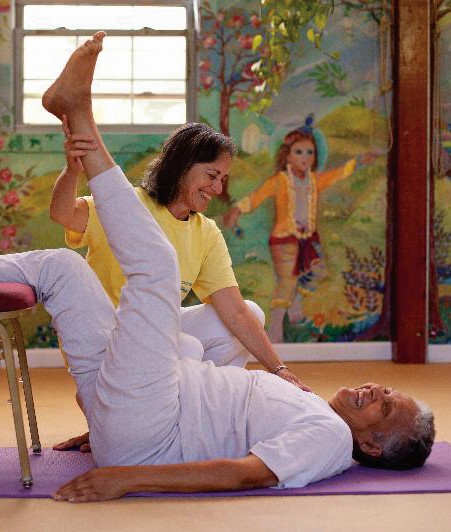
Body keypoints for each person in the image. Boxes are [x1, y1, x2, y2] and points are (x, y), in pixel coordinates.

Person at [0, 32, 434, 502]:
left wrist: (126, 478)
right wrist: (280, 370)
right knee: (62, 268)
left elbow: (245, 474)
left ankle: (78, 114)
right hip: (130, 387)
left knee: (159, 274)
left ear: (369, 443)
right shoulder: (318, 411)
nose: (376, 389)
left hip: (148, 425)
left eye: (385, 405)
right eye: (388, 390)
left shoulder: (328, 438)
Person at [223, 119, 359, 342]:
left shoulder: (315, 180)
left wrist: (357, 162)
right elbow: (258, 196)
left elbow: (336, 174)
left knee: (313, 273)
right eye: (299, 152)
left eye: (310, 152)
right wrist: (237, 210)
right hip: (284, 240)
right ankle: (276, 325)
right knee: (287, 281)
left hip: (307, 238)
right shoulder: (280, 180)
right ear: (286, 155)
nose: (305, 157)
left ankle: (295, 306)